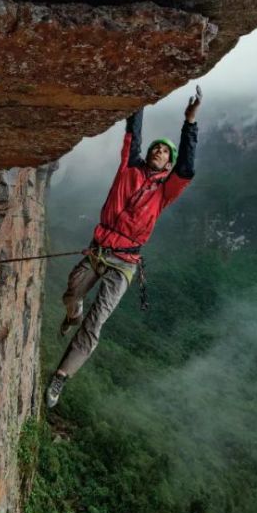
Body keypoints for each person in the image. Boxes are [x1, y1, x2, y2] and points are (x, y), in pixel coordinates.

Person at [46, 86, 202, 408]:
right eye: (156, 150)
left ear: (168, 163)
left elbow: (186, 167)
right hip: (100, 247)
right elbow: (134, 132)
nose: (159, 153)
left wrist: (190, 122)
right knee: (73, 290)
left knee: (97, 319)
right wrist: (141, 97)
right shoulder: (128, 168)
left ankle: (61, 375)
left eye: (165, 153)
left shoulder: (166, 192)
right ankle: (72, 309)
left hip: (125, 263)